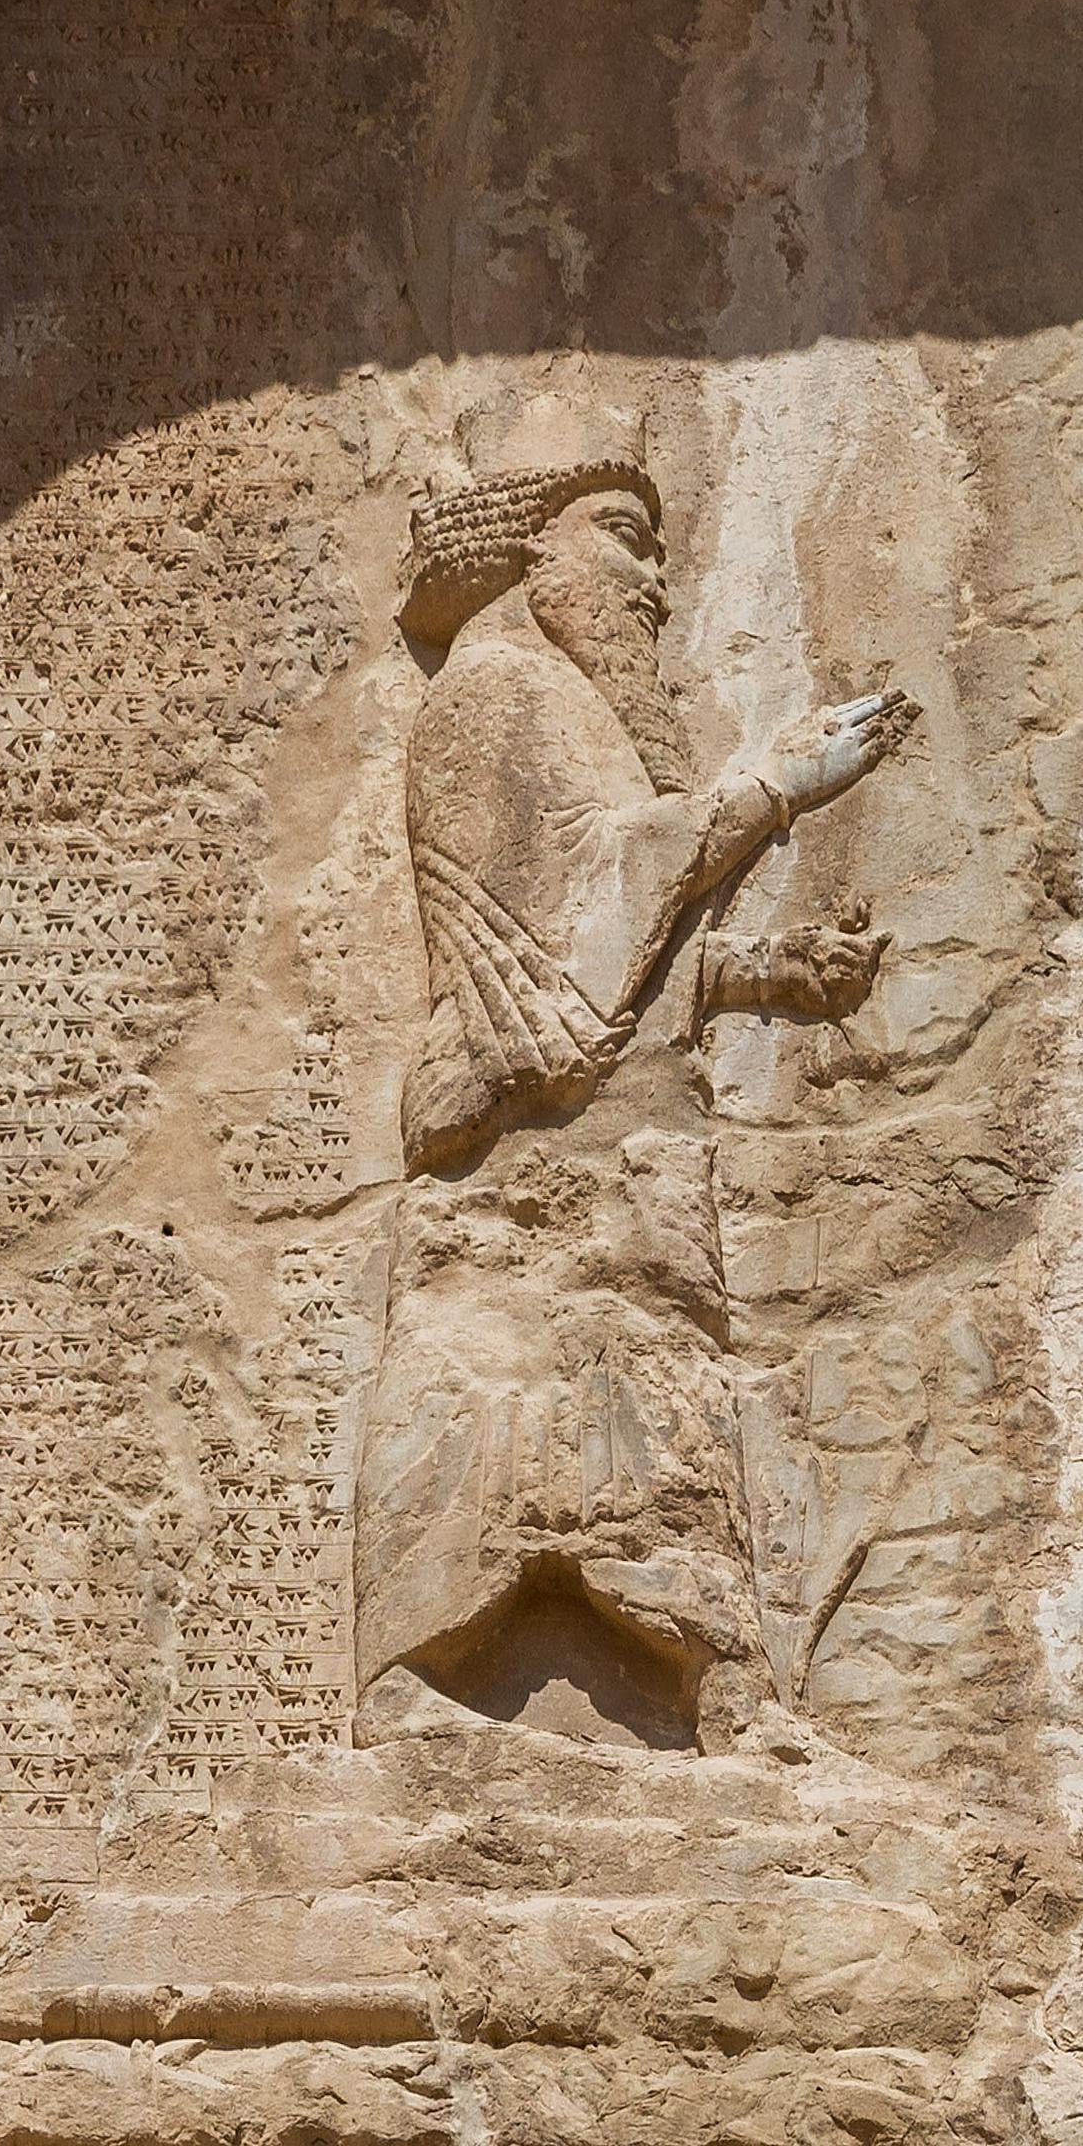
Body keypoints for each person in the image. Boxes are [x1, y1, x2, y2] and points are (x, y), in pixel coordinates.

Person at [356, 403, 917, 1748]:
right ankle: (416, 1690)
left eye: (659, 550)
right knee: (506, 1402)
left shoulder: (567, 703)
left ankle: (714, 1690)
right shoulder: (497, 694)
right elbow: (567, 943)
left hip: (602, 1133)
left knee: (642, 1403)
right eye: (619, 536)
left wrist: (767, 972)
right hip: (529, 1145)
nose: (651, 578)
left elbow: (613, 953)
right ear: (525, 551)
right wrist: (769, 787)